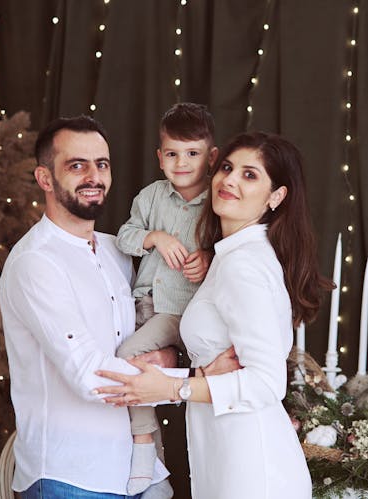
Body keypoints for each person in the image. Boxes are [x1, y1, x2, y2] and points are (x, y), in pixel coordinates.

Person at [0, 115, 237, 498]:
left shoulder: (118, 252)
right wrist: (202, 382)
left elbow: (154, 327)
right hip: (69, 475)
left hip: (136, 467)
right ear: (45, 178)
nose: (93, 176)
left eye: (102, 164)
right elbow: (89, 375)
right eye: (76, 165)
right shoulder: (36, 262)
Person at [94, 131, 334, 499]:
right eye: (227, 168)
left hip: (252, 465)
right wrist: (188, 372)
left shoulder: (245, 265)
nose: (230, 180)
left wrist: (173, 387)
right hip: (224, 453)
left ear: (276, 197)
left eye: (250, 175)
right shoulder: (227, 258)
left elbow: (268, 383)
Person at [114, 103, 217, 494]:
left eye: (192, 154)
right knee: (136, 375)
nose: (182, 163)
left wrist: (207, 259)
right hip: (141, 305)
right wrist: (154, 237)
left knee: (126, 359)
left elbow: (226, 252)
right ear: (160, 158)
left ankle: (144, 446)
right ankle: (154, 470)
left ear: (212, 157)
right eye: (172, 154)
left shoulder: (216, 204)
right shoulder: (152, 197)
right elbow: (125, 235)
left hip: (178, 311)